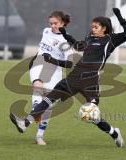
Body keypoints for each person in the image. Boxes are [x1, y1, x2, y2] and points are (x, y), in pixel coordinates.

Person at [10, 8, 126, 147]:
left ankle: (114, 133)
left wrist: (120, 17)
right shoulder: (90, 38)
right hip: (74, 76)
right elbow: (78, 46)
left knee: (91, 116)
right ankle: (25, 123)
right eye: (92, 27)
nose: (93, 29)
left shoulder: (111, 40)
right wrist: (64, 33)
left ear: (104, 28)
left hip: (90, 81)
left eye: (96, 27)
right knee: (49, 99)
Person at [28, 11, 73, 145]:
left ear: (63, 23)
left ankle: (39, 136)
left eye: (56, 23)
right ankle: (34, 113)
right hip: (39, 64)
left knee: (48, 105)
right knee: (37, 87)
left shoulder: (66, 41)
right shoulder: (46, 31)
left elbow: (69, 63)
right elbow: (41, 49)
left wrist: (53, 60)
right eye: (51, 23)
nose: (52, 26)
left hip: (55, 71)